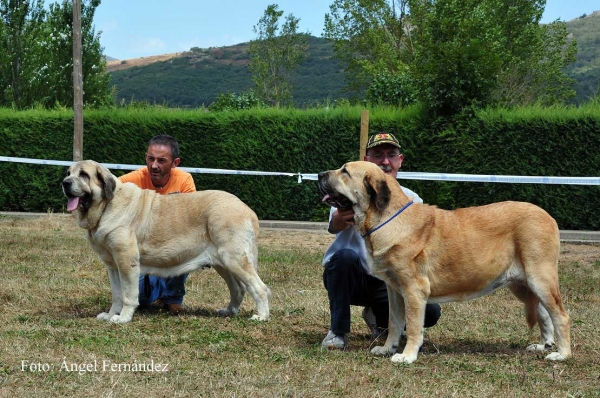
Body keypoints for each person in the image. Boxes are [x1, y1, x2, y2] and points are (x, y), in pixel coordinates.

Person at [321, 132, 442, 349]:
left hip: (388, 279)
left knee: (431, 311)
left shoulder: (413, 199)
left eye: (391, 155)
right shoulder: (349, 192)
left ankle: (380, 320)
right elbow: (334, 225)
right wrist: (342, 217)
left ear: (400, 160)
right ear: (367, 161)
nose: (385, 162)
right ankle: (337, 332)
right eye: (378, 155)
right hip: (351, 277)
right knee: (344, 258)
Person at [118, 134, 196, 315]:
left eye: (161, 161)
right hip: (141, 248)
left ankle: (173, 298)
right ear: (145, 157)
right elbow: (108, 192)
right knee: (143, 301)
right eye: (150, 159)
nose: (154, 165)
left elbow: (191, 218)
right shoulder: (129, 180)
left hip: (173, 240)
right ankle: (156, 285)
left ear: (175, 162)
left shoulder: (185, 181)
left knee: (185, 245)